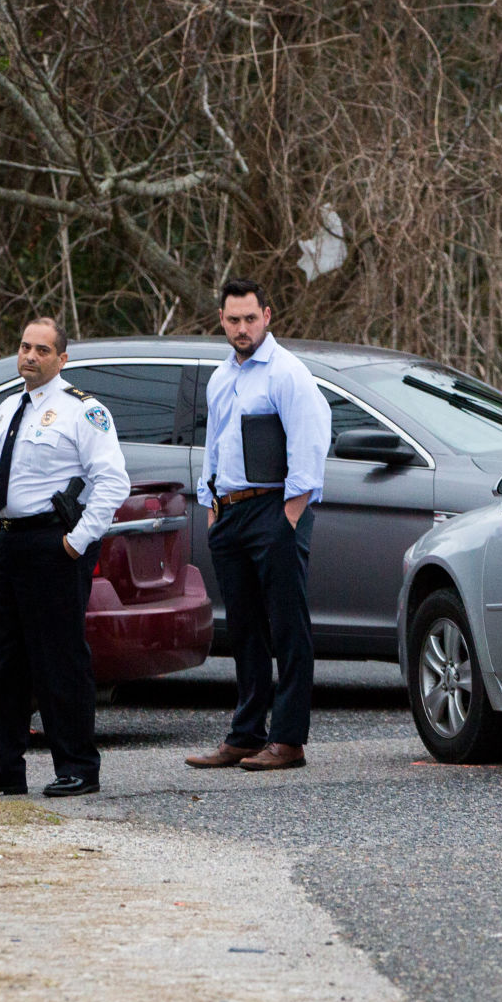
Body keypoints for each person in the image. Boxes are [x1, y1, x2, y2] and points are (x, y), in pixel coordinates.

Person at [0, 318, 129, 798]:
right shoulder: (8, 408)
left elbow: (112, 482)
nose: (30, 356)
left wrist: (77, 541)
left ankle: (77, 766)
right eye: (25, 347)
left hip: (53, 545)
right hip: (9, 544)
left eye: (42, 350)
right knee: (3, 660)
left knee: (60, 660)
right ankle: (2, 765)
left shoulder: (82, 412)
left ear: (61, 359)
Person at [184, 279, 331, 772]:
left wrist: (289, 516)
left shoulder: (287, 374)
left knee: (287, 627)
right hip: (230, 511)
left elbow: (310, 444)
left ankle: (288, 740)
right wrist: (210, 503)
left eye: (250, 318)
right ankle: (245, 734)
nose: (242, 328)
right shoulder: (222, 376)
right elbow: (215, 441)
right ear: (221, 320)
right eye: (233, 319)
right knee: (244, 629)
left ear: (267, 316)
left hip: (275, 509)